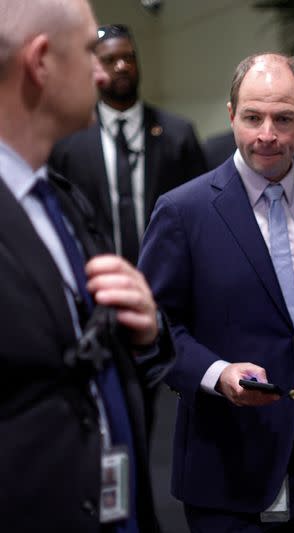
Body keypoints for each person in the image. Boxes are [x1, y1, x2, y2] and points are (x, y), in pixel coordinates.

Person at [139, 53, 294, 532]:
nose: (267, 134)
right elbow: (154, 331)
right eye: (252, 117)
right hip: (228, 465)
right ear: (230, 115)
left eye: (284, 119)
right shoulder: (183, 211)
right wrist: (217, 373)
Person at [0, 1, 173, 531]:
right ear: (41, 61)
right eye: (89, 55)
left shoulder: (61, 199)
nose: (103, 73)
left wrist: (142, 331)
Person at [49, 23, 207, 266]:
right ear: (95, 69)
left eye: (128, 58)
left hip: (168, 272)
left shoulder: (178, 134)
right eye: (110, 60)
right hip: (96, 277)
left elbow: (200, 210)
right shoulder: (68, 141)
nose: (122, 66)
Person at [204, 129, 294, 169]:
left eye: (283, 119)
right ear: (232, 116)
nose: (267, 137)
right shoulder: (213, 150)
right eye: (253, 118)